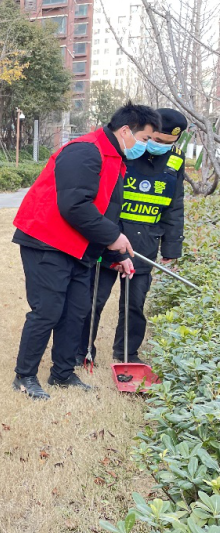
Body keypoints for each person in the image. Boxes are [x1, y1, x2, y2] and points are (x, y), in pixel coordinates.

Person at [11, 102, 160, 400]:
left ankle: (62, 373)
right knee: (48, 311)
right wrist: (113, 237)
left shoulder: (115, 158)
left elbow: (107, 211)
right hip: (47, 240)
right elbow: (74, 205)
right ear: (126, 130)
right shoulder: (84, 151)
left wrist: (118, 256)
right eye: (144, 139)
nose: (144, 147)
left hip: (79, 246)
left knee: (77, 310)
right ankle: (25, 376)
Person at [78, 108, 186, 364]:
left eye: (167, 144)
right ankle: (81, 350)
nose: (159, 146)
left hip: (145, 244)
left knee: (134, 304)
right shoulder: (126, 150)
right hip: (110, 240)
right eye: (155, 140)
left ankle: (127, 352)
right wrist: (105, 237)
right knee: (94, 300)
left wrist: (171, 248)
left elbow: (175, 206)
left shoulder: (176, 160)